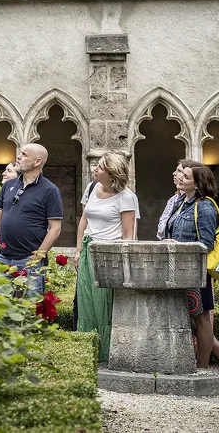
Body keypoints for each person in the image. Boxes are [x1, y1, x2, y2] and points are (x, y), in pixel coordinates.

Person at [165, 163, 219, 370]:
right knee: (191, 317)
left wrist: (179, 246)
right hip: (180, 269)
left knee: (202, 318)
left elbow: (206, 243)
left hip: (197, 271)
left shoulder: (204, 205)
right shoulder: (182, 202)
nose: (180, 178)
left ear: (197, 184)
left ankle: (203, 366)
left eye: (186, 177)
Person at [74, 152, 138, 363]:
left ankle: (108, 354)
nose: (95, 169)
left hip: (109, 254)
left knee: (105, 304)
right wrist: (77, 251)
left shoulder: (126, 197)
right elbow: (84, 220)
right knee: (86, 302)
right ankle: (87, 351)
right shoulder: (92, 188)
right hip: (88, 249)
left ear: (111, 173)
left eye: (100, 167)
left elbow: (128, 236)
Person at [0, 143, 63, 296]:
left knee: (30, 312)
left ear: (37, 161)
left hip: (29, 262)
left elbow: (55, 229)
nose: (18, 157)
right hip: (2, 259)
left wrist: (39, 255)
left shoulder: (50, 190)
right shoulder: (8, 185)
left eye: (24, 154)